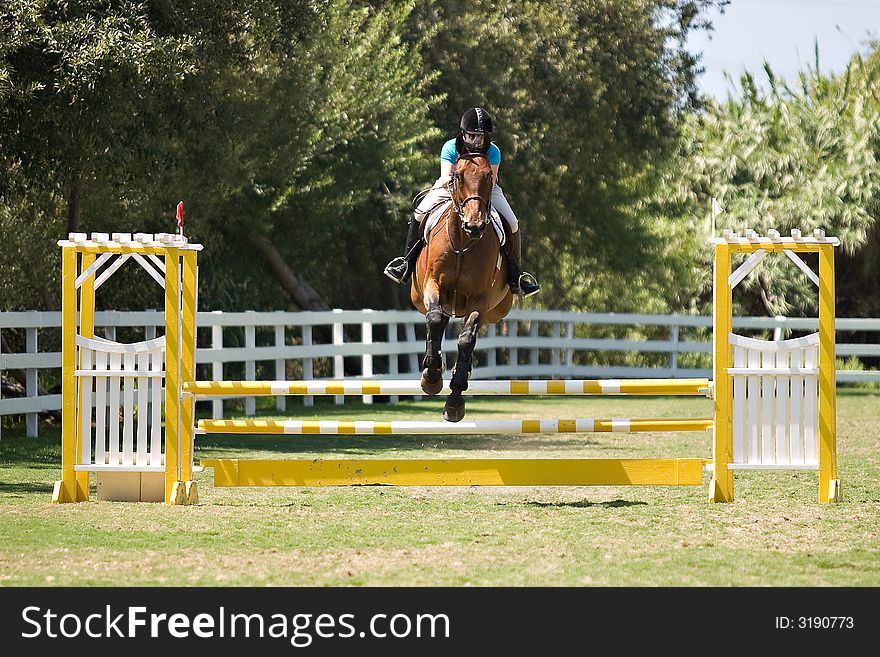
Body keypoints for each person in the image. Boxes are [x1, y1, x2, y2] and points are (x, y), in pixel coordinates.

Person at [383, 107, 540, 297]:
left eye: (481, 137)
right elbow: (445, 177)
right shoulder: (450, 147)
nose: (477, 141)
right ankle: (406, 264)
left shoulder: (493, 151)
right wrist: (460, 187)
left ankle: (516, 276)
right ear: (463, 133)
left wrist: (475, 195)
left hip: (483, 191)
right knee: (419, 211)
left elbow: (490, 181)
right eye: (472, 136)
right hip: (450, 187)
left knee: (513, 222)